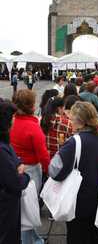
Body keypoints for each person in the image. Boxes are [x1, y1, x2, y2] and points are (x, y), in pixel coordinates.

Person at [49, 101, 98, 244]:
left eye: (71, 118)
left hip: (78, 198)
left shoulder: (74, 142)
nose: (69, 120)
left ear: (80, 121)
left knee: (77, 235)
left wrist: (60, 151)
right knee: (96, 235)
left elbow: (54, 171)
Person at [10, 89, 50, 244]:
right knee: (28, 208)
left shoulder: (11, 121)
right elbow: (43, 154)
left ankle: (34, 238)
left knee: (23, 207)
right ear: (31, 106)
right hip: (31, 170)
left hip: (14, 166)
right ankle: (28, 240)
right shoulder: (32, 127)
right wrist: (50, 171)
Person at [0, 99, 30, 244]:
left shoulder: (4, 141)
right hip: (5, 206)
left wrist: (17, 165)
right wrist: (24, 176)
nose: (14, 121)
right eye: (12, 118)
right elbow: (15, 182)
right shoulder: (1, 149)